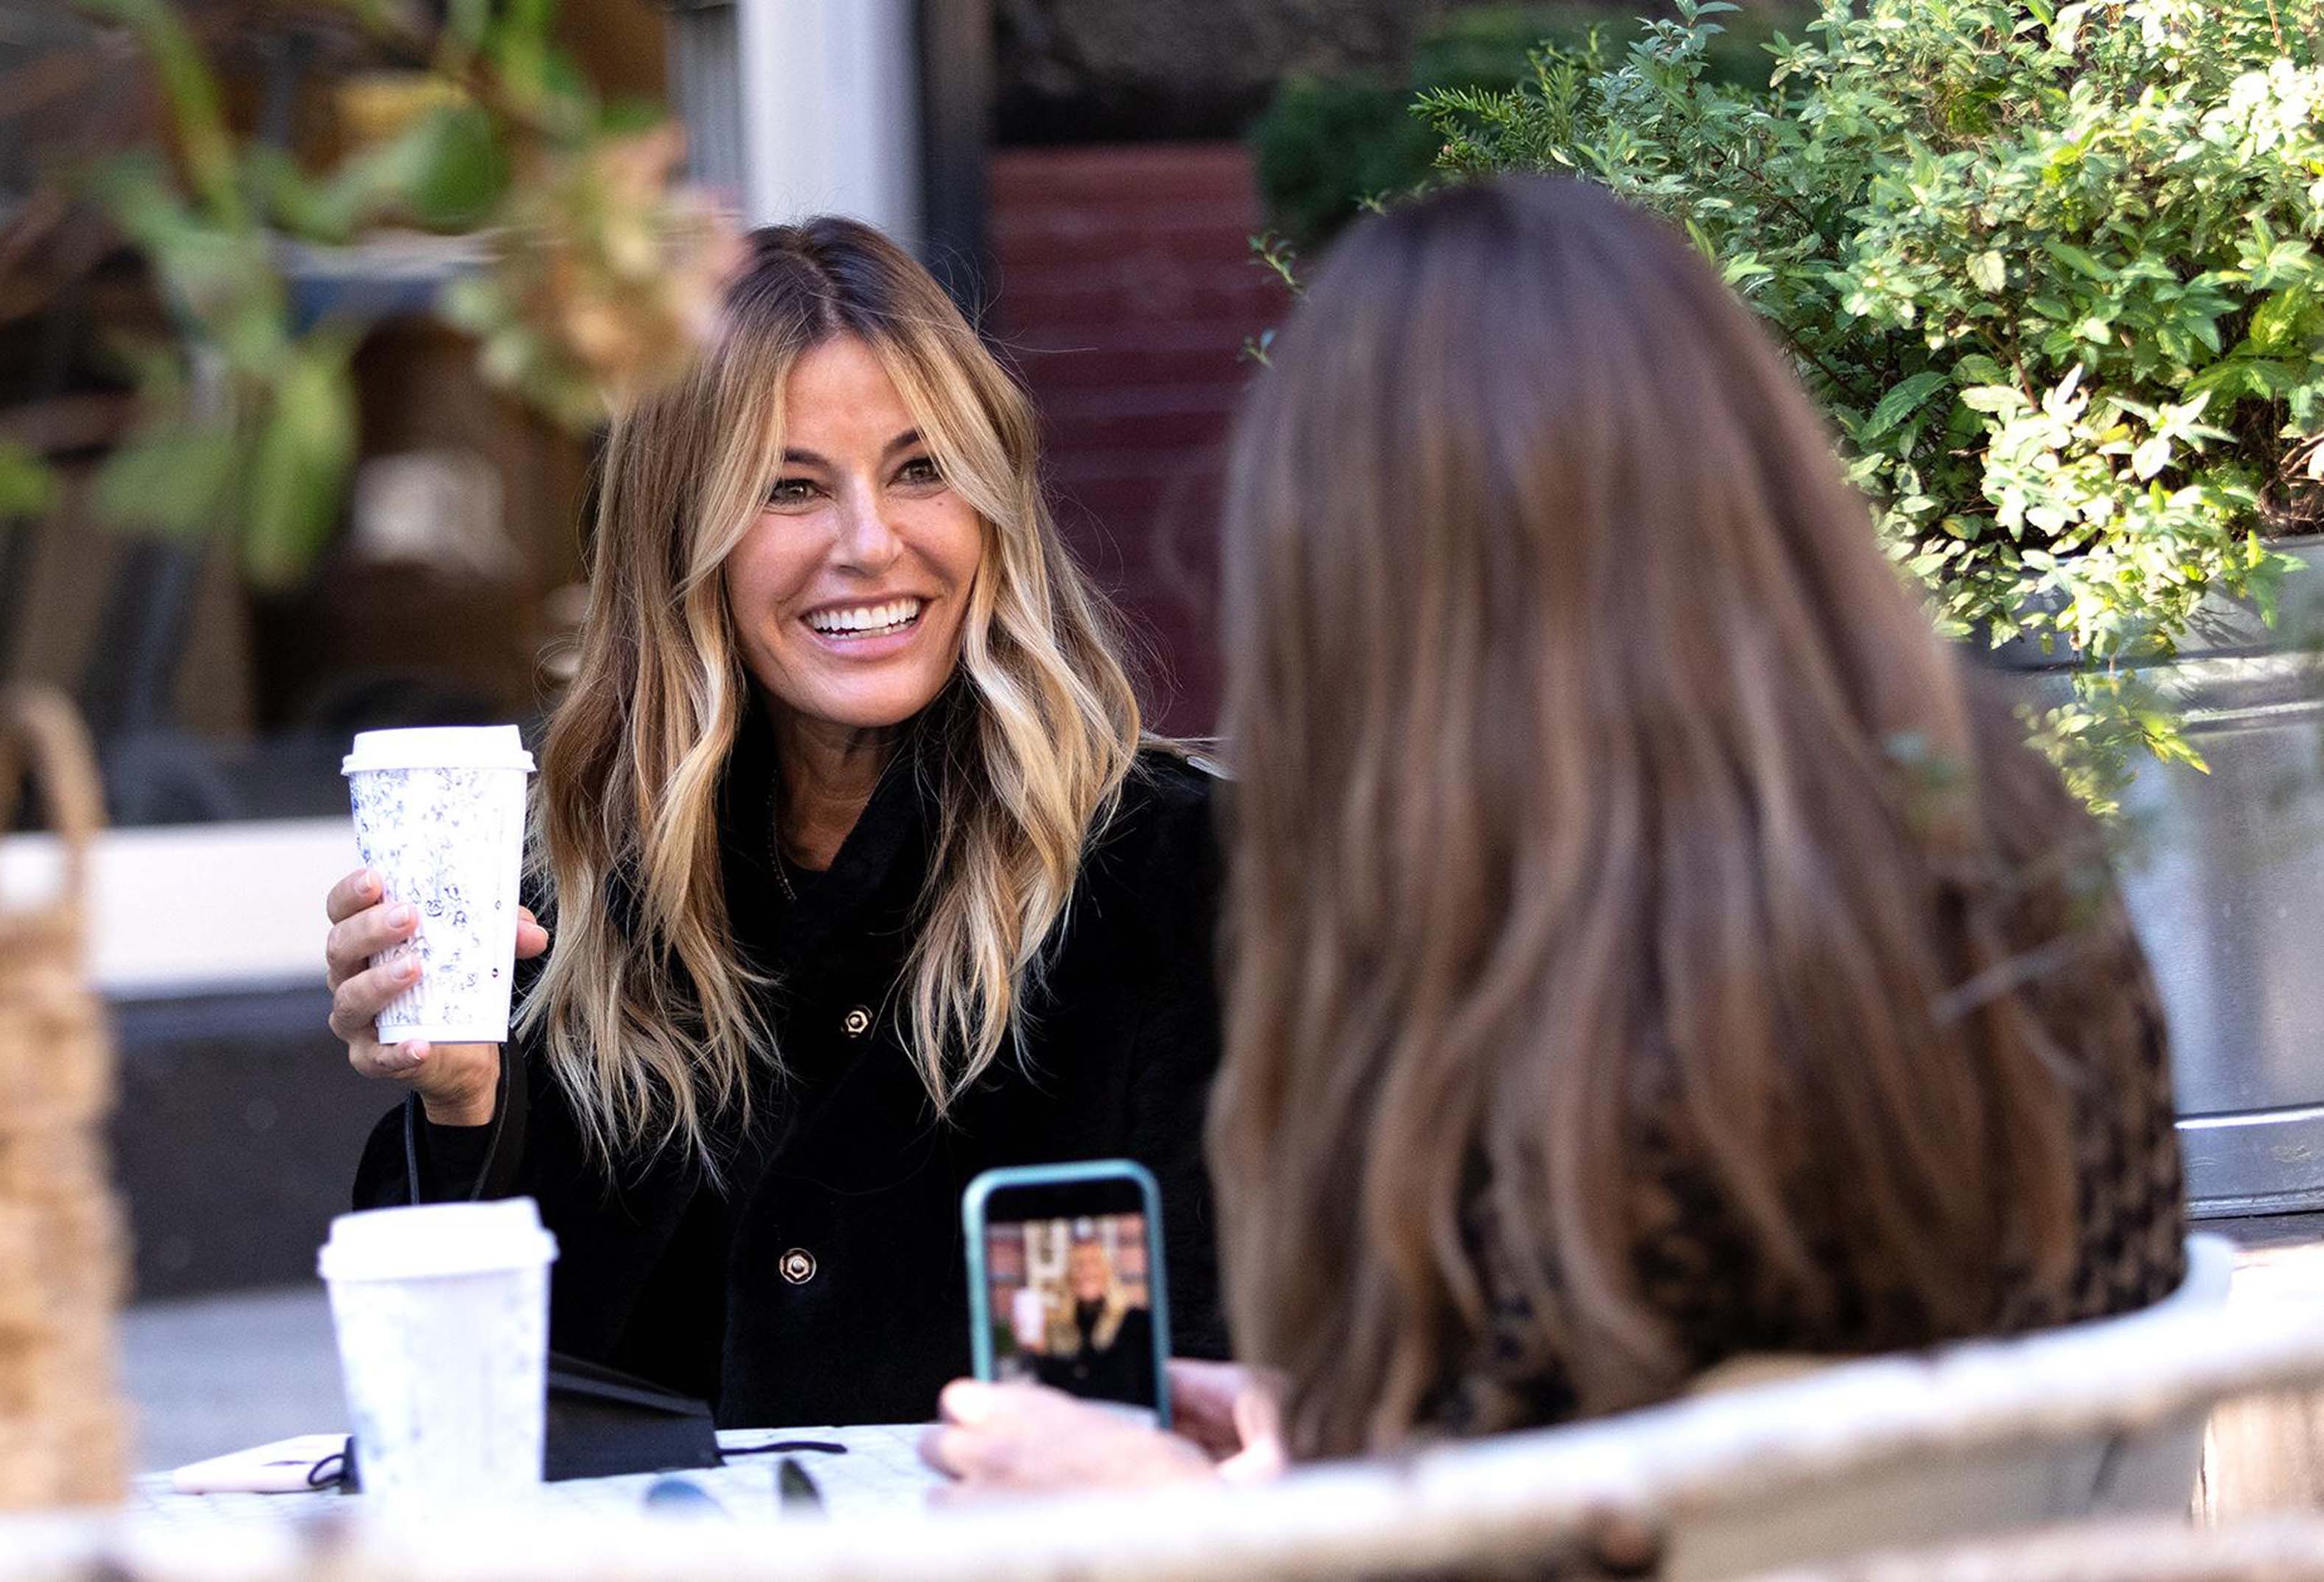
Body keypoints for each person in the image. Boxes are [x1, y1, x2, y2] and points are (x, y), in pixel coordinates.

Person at [923, 176, 2186, 1489]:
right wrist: (1357, 1460)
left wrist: (1174, 1519)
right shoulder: (1993, 835)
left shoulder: (1642, 1026)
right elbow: (1654, 1442)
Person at [321, 217, 1227, 1427]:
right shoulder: (567, 884)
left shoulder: (1174, 873)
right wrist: (461, 1106)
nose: (870, 543)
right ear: (678, 537)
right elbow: (448, 1416)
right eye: (789, 488)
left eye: (922, 469)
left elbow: (1228, 1380)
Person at [1030, 1236, 1157, 1408]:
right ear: (1069, 1274)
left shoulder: (1136, 1321)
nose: (1086, 1270)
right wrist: (1038, 1353)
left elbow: (1147, 1389)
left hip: (1122, 1426)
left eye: (1094, 1261)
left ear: (1107, 1270)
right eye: (1078, 1263)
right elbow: (1047, 1394)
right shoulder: (1055, 1326)